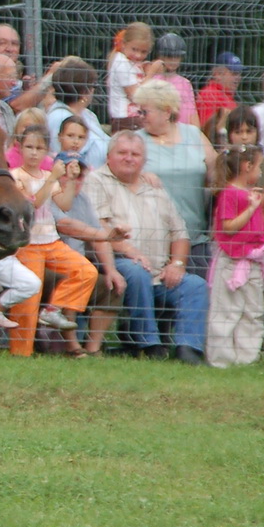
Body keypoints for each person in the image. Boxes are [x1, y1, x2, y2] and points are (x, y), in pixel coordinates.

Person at [86, 131, 209, 364]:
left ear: (144, 160)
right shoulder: (97, 181)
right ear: (109, 156)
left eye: (135, 154)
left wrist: (177, 264)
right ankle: (148, 345)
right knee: (136, 271)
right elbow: (98, 229)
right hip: (116, 264)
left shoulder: (154, 186)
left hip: (159, 271)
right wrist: (131, 251)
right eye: (122, 153)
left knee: (196, 286)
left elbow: (180, 233)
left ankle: (188, 349)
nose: (129, 158)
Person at [4, 121, 96, 355]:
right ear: (20, 148)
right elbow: (33, 203)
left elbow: (64, 204)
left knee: (86, 272)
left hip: (51, 242)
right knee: (28, 299)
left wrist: (71, 180)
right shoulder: (15, 176)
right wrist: (53, 177)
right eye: (29, 147)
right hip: (28, 245)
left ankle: (53, 309)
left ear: (46, 151)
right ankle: (20, 352)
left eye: (39, 149)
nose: (34, 153)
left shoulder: (48, 175)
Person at [206, 143, 264, 367]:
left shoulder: (251, 194)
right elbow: (228, 226)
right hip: (231, 261)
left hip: (251, 260)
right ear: (247, 166)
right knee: (226, 311)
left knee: (252, 311)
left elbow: (261, 230)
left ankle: (245, 359)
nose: (260, 173)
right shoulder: (229, 193)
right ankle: (221, 360)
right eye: (259, 167)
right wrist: (250, 208)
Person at [135, 78, 218, 271]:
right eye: (139, 111)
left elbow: (216, 174)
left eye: (144, 111)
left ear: (166, 111)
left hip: (194, 235)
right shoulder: (136, 140)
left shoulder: (194, 135)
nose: (140, 116)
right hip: (153, 238)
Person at [49, 157, 128, 357]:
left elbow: (97, 236)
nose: (74, 181)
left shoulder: (83, 199)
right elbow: (67, 225)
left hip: (81, 266)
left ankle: (93, 348)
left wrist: (110, 269)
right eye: (68, 175)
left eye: (79, 176)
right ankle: (72, 346)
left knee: (112, 285)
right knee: (77, 278)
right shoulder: (50, 196)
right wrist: (106, 235)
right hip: (52, 265)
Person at [44, 56, 109, 170]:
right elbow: (62, 156)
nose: (94, 90)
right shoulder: (58, 117)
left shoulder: (88, 115)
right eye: (93, 86)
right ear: (84, 92)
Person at [106, 22, 161, 128]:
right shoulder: (122, 63)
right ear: (124, 44)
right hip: (125, 120)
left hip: (133, 118)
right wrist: (151, 74)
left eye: (143, 52)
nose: (138, 55)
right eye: (134, 49)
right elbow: (135, 96)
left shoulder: (129, 62)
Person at [194, 52, 244, 133]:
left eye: (239, 74)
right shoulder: (209, 95)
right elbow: (208, 131)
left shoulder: (227, 95)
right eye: (234, 74)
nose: (238, 78)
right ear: (218, 74)